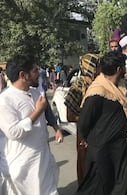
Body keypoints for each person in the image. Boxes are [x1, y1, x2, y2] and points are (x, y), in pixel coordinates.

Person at [0, 55, 58, 194]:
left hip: (42, 160)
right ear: (23, 75)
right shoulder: (5, 100)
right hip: (22, 169)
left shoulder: (35, 93)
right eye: (35, 71)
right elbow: (14, 133)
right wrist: (37, 111)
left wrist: (56, 128)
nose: (39, 74)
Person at [76, 52, 127, 195]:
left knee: (122, 185)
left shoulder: (118, 87)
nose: (125, 69)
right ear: (119, 69)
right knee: (100, 187)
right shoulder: (97, 92)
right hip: (103, 150)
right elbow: (83, 123)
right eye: (124, 66)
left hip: (118, 148)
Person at [64, 53, 100, 184]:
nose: (100, 68)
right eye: (98, 65)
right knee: (86, 167)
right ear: (91, 67)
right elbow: (70, 116)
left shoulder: (99, 83)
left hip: (98, 132)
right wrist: (89, 118)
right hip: (85, 133)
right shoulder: (77, 86)